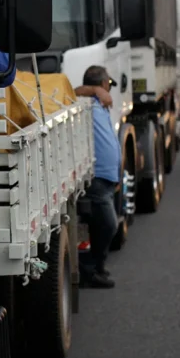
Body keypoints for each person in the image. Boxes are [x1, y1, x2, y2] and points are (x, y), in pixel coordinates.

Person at [77, 65, 120, 289]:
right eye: (108, 85)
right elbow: (71, 92)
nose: (109, 89)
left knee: (99, 226)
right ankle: (89, 269)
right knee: (109, 225)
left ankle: (97, 268)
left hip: (107, 176)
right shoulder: (86, 103)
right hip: (97, 176)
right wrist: (93, 90)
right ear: (102, 84)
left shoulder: (101, 105)